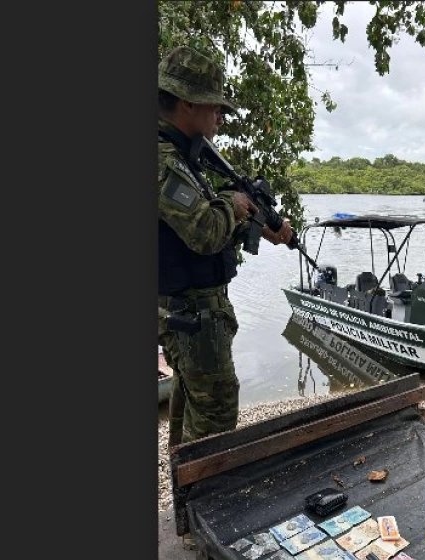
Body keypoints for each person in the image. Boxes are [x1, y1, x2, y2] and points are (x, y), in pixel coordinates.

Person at [157, 46, 293, 453]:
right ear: (186, 102)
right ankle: (204, 506)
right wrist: (233, 206)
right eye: (215, 107)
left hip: (193, 315)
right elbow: (203, 230)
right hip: (193, 317)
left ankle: (185, 506)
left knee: (190, 416)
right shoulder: (163, 159)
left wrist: (255, 224)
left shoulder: (183, 155)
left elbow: (188, 235)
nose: (220, 116)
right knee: (214, 426)